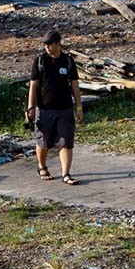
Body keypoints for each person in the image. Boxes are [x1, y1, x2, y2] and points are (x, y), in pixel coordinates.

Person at [26, 30, 84, 185]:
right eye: (45, 45)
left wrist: (79, 107)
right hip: (44, 109)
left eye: (50, 44)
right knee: (43, 142)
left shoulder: (68, 61)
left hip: (65, 109)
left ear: (58, 44)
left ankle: (66, 174)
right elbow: (33, 86)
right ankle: (42, 166)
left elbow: (75, 85)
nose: (47, 47)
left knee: (66, 142)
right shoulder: (40, 61)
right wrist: (30, 108)